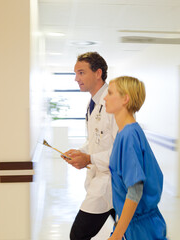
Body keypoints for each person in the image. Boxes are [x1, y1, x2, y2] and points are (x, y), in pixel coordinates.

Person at [61, 52, 118, 240]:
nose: (76, 78)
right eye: (76, 73)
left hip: (111, 181)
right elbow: (96, 140)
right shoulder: (93, 103)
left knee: (78, 235)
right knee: (126, 232)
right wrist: (81, 152)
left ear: (98, 73)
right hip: (100, 179)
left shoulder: (113, 102)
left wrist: (89, 158)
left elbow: (121, 151)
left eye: (81, 72)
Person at [104, 76, 167, 240]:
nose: (105, 97)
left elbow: (135, 191)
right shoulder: (124, 132)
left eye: (110, 93)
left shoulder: (129, 135)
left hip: (141, 227)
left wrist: (116, 235)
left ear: (125, 99)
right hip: (132, 224)